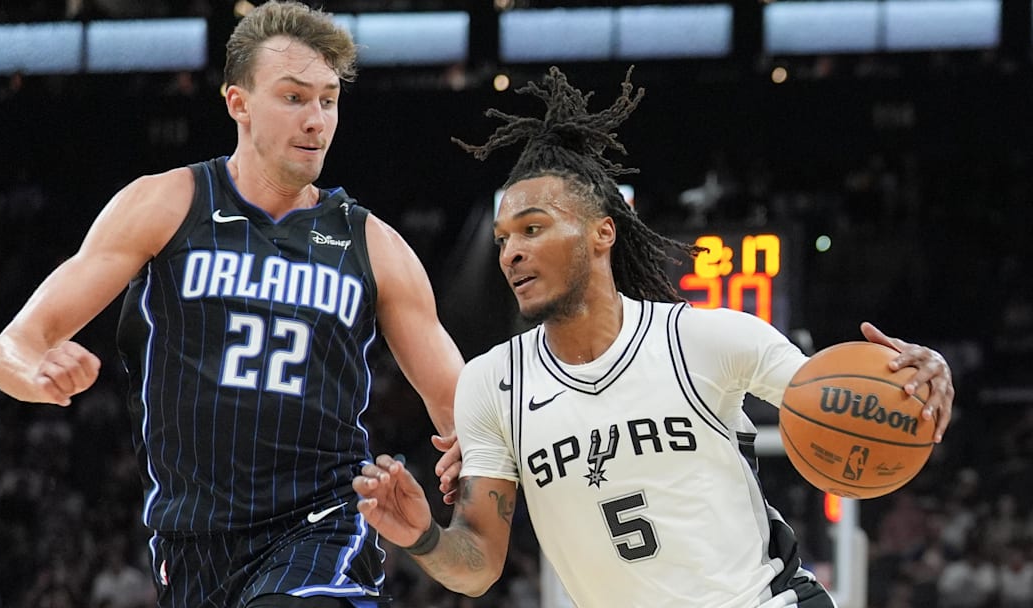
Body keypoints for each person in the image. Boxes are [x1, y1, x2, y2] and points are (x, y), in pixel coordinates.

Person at [352, 66, 955, 607]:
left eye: (533, 229)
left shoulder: (708, 340)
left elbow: (850, 404)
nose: (512, 252)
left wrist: (920, 383)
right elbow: (478, 565)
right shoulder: (491, 382)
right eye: (504, 238)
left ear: (601, 233)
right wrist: (425, 537)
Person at [0, 2, 465, 607]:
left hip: (323, 526)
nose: (316, 119)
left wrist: (482, 448)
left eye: (328, 100)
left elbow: (462, 405)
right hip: (190, 544)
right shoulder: (164, 205)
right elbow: (13, 346)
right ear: (238, 102)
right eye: (293, 98)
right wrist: (33, 373)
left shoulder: (374, 245)